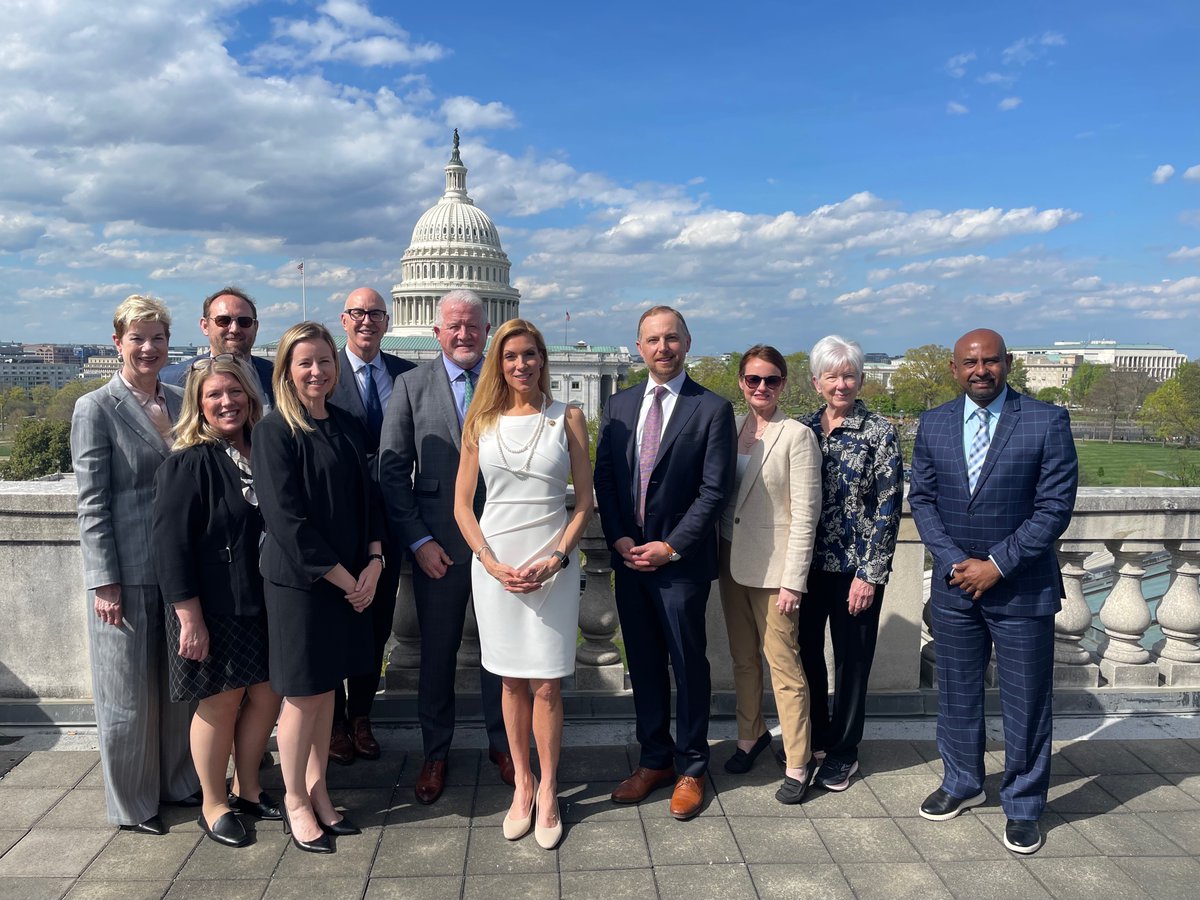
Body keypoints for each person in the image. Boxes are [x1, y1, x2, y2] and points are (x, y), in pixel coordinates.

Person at [908, 328, 1078, 856]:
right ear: (955, 369)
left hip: (1022, 588)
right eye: (968, 363)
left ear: (1007, 363)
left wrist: (997, 565)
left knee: (1026, 703)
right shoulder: (934, 423)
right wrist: (960, 563)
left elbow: (1054, 508)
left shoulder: (1046, 421)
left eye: (989, 361)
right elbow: (923, 499)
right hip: (956, 588)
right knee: (956, 694)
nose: (980, 371)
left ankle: (1024, 805)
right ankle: (962, 781)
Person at [453, 319, 593, 850]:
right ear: (498, 362)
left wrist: (559, 556)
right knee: (510, 682)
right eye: (511, 355)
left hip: (552, 564)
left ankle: (552, 789)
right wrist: (488, 562)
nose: (521, 364)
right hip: (497, 566)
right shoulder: (480, 420)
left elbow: (584, 502)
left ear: (542, 360)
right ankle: (524, 784)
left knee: (548, 684)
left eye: (530, 354)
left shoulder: (569, 417)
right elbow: (463, 506)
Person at [594, 305, 735, 820]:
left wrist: (670, 546)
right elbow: (605, 479)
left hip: (679, 565)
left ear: (688, 342)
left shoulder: (711, 409)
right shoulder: (619, 405)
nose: (663, 348)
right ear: (639, 347)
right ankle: (653, 759)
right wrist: (621, 539)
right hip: (630, 559)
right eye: (652, 340)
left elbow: (714, 491)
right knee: (645, 664)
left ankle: (693, 766)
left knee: (687, 665)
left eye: (671, 338)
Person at [70, 294, 200, 835]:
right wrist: (104, 581)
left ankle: (176, 782)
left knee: (177, 692)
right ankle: (133, 803)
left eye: (158, 338)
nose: (149, 348)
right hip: (124, 573)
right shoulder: (95, 407)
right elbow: (92, 501)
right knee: (126, 697)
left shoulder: (179, 399)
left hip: (179, 572)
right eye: (138, 338)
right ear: (118, 342)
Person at [378, 289, 513, 804]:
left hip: (500, 544)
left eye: (472, 326)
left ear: (487, 330)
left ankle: (503, 745)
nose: (463, 335)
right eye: (454, 326)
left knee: (500, 652)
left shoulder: (507, 385)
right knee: (437, 655)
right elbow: (393, 471)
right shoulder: (409, 385)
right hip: (437, 546)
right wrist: (418, 540)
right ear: (437, 332)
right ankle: (435, 752)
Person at [254, 321, 384, 854]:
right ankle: (295, 801)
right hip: (303, 586)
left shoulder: (349, 424)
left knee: (328, 691)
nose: (316, 371)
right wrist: (344, 576)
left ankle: (320, 792)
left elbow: (368, 500)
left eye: (325, 361)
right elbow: (286, 521)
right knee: (302, 697)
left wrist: (375, 560)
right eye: (304, 362)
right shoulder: (273, 431)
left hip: (352, 579)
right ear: (286, 369)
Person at [152, 356, 281, 847]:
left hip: (265, 598)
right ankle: (213, 802)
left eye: (234, 392)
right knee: (221, 702)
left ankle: (248, 788)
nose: (226, 402)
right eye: (213, 396)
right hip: (211, 606)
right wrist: (189, 617)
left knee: (268, 694)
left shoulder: (266, 451)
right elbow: (169, 546)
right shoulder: (187, 463)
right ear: (198, 405)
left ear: (251, 396)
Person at [796, 335, 903, 792]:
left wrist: (870, 574)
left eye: (850, 375)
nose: (842, 384)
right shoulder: (800, 428)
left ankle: (844, 751)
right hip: (803, 568)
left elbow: (888, 505)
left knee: (852, 661)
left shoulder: (879, 431)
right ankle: (818, 735)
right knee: (806, 657)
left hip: (854, 570)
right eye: (832, 376)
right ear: (816, 381)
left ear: (860, 379)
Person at [717, 346, 821, 804]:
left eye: (771, 380)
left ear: (783, 384)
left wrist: (794, 580)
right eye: (753, 379)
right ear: (741, 381)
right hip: (728, 558)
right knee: (743, 658)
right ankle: (750, 735)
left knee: (784, 666)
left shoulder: (797, 436)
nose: (761, 387)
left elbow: (805, 515)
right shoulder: (728, 429)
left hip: (776, 569)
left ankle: (798, 761)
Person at [327, 287, 415, 765]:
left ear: (387, 319)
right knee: (337, 620)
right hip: (338, 521)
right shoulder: (325, 371)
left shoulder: (407, 374)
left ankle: (362, 717)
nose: (367, 321)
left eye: (375, 314)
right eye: (358, 313)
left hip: (392, 519)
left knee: (377, 623)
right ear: (344, 319)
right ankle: (336, 721)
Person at [162, 286, 275, 409]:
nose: (235, 329)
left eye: (244, 322)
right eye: (223, 321)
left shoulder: (278, 375)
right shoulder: (169, 380)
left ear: (255, 327)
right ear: (205, 326)